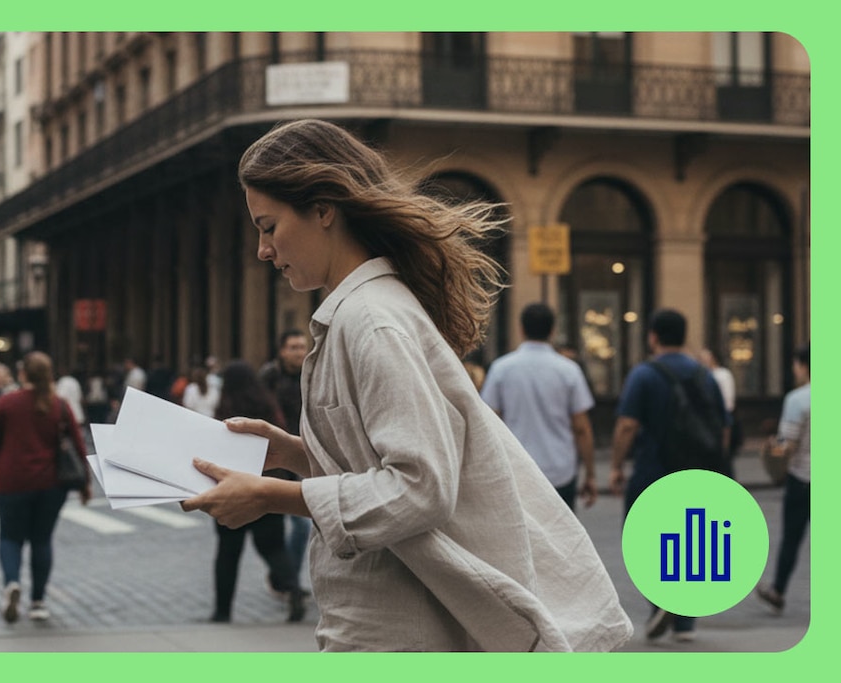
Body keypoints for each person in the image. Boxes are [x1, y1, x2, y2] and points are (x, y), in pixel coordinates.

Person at [181, 119, 632, 652]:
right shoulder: (359, 313)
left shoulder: (371, 321)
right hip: (385, 619)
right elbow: (383, 465)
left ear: (324, 210)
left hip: (396, 628)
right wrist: (294, 454)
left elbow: (420, 488)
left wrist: (272, 496)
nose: (262, 250)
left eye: (269, 226)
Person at [609, 308, 730, 644]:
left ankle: (661, 602)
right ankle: (685, 622)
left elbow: (627, 425)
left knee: (642, 538)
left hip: (652, 469)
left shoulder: (644, 375)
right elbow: (722, 428)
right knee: (691, 539)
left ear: (653, 336)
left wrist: (617, 466)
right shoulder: (705, 375)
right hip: (697, 470)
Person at [0, 351, 91, 624]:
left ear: (22, 374)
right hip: (51, 484)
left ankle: (12, 583)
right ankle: (38, 602)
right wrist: (85, 483)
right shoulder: (60, 405)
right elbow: (78, 444)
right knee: (42, 540)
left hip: (12, 482)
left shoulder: (7, 403)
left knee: (10, 538)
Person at [207, 360, 306, 623]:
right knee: (274, 548)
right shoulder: (267, 405)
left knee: (228, 552)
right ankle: (293, 589)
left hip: (233, 486)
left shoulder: (225, 410)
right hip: (269, 485)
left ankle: (222, 611)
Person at [480, 303, 597, 511]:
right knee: (563, 537)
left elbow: (488, 421)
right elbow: (582, 428)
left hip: (518, 470)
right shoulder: (569, 370)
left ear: (521, 329)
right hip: (560, 469)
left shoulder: (501, 369)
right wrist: (590, 473)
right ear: (552, 331)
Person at [755, 343, 810, 614]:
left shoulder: (798, 399)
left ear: (803, 365)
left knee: (792, 537)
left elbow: (787, 446)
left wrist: (771, 449)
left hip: (803, 479)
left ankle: (778, 590)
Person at [259, 329, 313, 591]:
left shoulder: (312, 374)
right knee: (274, 527)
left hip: (304, 454)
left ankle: (286, 580)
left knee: (302, 526)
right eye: (293, 347)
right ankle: (285, 579)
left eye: (302, 347)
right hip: (272, 458)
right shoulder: (269, 377)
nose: (299, 352)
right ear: (282, 351)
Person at [699, 347, 741, 474]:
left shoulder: (722, 375)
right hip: (710, 424)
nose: (701, 361)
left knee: (723, 463)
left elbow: (728, 404)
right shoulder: (703, 375)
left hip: (720, 423)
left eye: (704, 358)